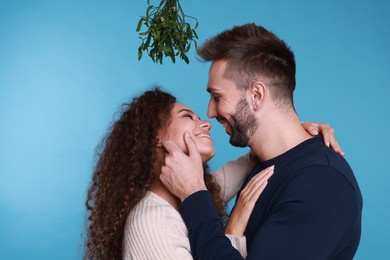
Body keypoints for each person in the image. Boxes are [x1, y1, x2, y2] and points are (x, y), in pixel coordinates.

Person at [160, 23, 362, 260]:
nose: (210, 112)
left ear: (256, 95)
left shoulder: (322, 184)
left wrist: (194, 195)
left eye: (217, 97)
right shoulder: (266, 164)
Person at [84, 87, 339, 259]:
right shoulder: (151, 222)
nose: (206, 122)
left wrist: (299, 131)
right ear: (156, 137)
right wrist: (234, 230)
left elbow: (254, 156)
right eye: (188, 117)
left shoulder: (187, 193)